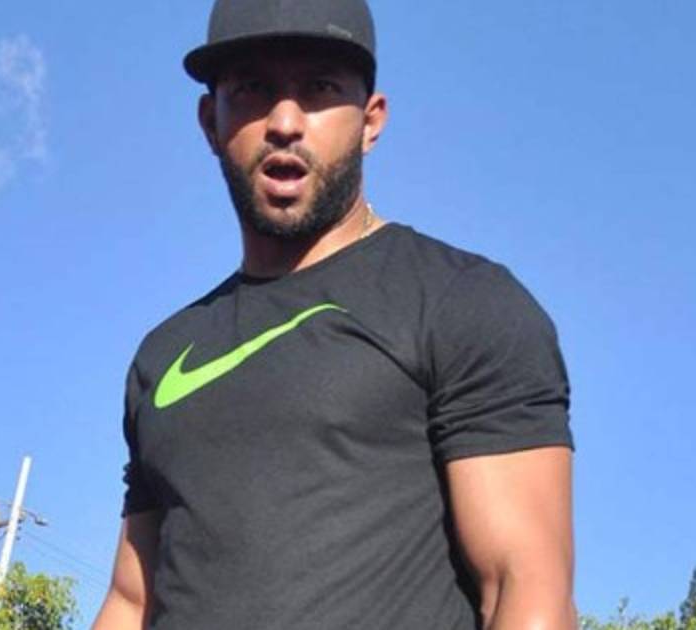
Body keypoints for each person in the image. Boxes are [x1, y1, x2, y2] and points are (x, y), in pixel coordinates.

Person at [92, 1, 576, 628]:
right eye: (252, 89)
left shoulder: (462, 301)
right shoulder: (164, 356)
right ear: (211, 121)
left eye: (319, 88)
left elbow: (524, 587)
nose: (284, 122)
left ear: (371, 120)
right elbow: (131, 600)